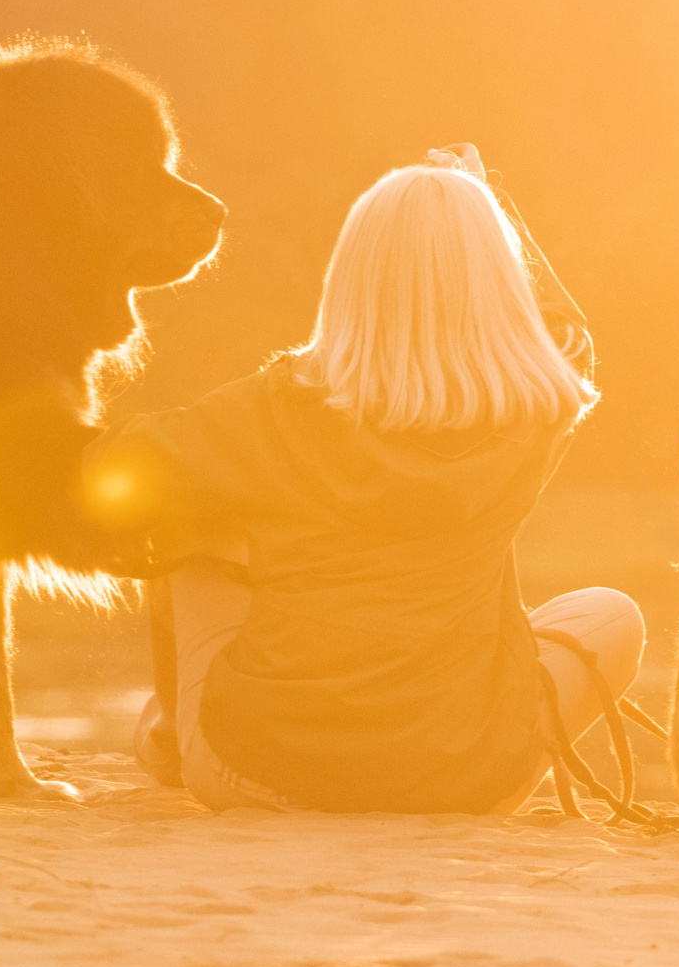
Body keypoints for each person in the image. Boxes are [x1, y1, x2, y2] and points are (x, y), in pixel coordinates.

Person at [82, 145, 645, 814]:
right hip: (467, 784)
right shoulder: (536, 415)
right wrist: (486, 204)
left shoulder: (271, 410)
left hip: (257, 776)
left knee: (191, 500)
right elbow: (571, 335)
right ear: (498, 280)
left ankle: (176, 732)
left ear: (351, 277)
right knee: (614, 616)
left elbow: (111, 470)